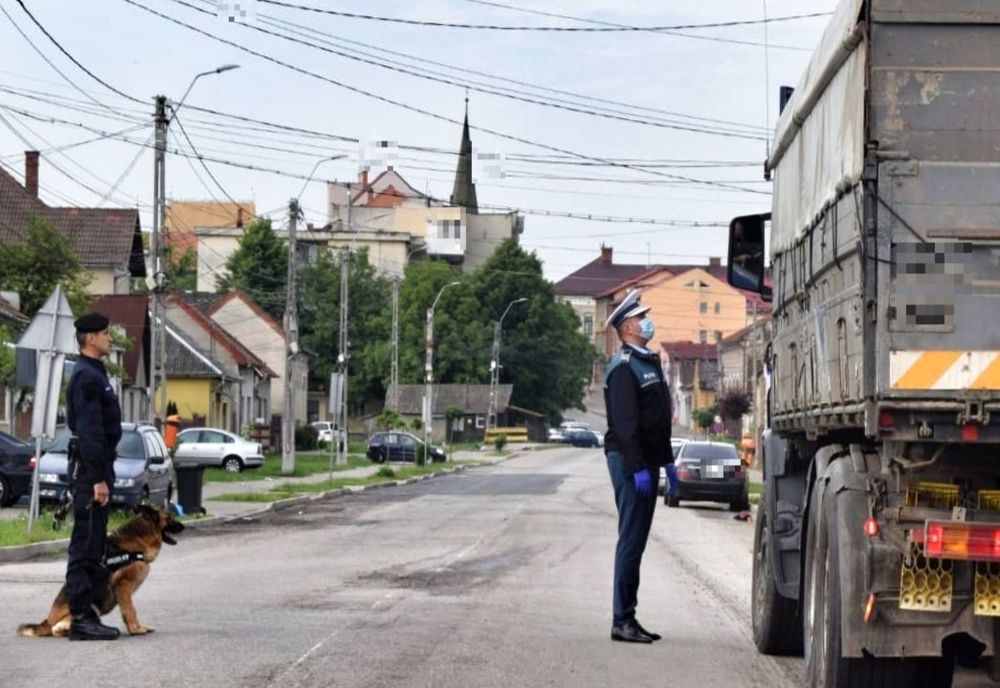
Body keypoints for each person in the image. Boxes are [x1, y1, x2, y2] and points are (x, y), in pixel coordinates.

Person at [602, 289, 674, 644]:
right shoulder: (623, 367)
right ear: (628, 327)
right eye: (641, 317)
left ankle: (630, 615)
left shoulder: (649, 362)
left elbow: (659, 421)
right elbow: (625, 425)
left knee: (639, 541)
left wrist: (668, 462)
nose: (648, 321)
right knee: (630, 539)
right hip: (630, 461)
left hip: (649, 460)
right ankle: (621, 619)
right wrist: (637, 467)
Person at [65, 312, 122, 641]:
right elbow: (89, 432)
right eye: (105, 333)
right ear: (90, 339)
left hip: (98, 469)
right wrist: (98, 479)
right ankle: (80, 618)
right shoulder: (87, 377)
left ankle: (88, 612)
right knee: (85, 545)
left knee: (95, 543)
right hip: (91, 474)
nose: (109, 338)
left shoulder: (95, 372)